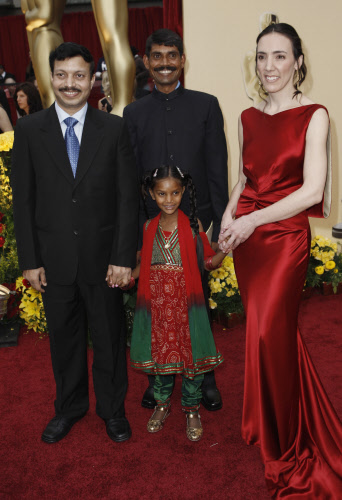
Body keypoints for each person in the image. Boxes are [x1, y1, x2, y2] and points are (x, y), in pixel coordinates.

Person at [219, 23, 342, 498]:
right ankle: (268, 420)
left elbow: (311, 191)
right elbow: (244, 178)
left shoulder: (315, 115)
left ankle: (288, 445)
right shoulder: (247, 117)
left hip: (285, 239)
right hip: (249, 241)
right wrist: (230, 219)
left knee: (272, 331)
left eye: (279, 57)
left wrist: (253, 222)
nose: (268, 67)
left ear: (297, 62)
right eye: (261, 57)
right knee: (267, 335)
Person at [11, 42, 139, 445]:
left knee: (108, 338)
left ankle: (112, 410)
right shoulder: (29, 131)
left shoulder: (114, 128)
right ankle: (68, 408)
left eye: (79, 75)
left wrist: (123, 256)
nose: (71, 84)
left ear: (93, 80)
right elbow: (24, 200)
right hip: (54, 260)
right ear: (51, 78)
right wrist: (30, 260)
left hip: (105, 262)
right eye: (62, 75)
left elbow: (126, 198)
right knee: (64, 342)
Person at [123, 29, 228, 411]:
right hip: (152, 231)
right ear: (147, 62)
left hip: (194, 227)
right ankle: (159, 379)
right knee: (155, 309)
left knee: (197, 306)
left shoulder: (205, 105)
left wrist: (217, 229)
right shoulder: (133, 113)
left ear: (182, 60)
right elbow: (130, 176)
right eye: (157, 56)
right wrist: (134, 235)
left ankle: (205, 379)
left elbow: (218, 168)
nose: (165, 62)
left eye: (172, 55)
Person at [129, 166, 224, 441]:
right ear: (151, 194)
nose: (168, 199)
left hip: (185, 308)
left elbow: (207, 262)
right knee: (160, 356)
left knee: (189, 357)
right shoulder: (148, 227)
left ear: (183, 192)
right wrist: (126, 278)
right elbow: (142, 265)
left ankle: (192, 408)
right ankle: (161, 404)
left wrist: (226, 250)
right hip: (157, 308)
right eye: (161, 193)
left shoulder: (193, 228)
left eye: (174, 193)